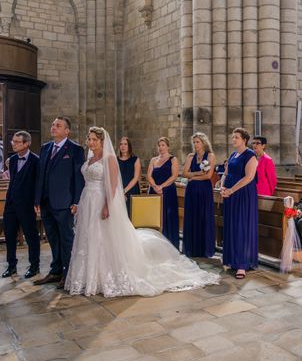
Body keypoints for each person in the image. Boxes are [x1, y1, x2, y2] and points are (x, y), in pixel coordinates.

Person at [65, 127, 219, 297]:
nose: (91, 142)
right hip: (87, 201)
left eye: (94, 139)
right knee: (88, 237)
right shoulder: (89, 159)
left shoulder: (109, 159)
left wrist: (107, 205)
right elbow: (86, 183)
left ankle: (104, 276)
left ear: (102, 141)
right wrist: (79, 203)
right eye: (89, 139)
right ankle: (87, 277)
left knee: (102, 237)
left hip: (101, 201)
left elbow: (114, 185)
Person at [33, 117, 85, 288]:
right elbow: (41, 175)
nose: (53, 127)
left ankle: (67, 274)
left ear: (67, 131)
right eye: (53, 124)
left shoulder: (75, 149)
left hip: (65, 203)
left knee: (66, 240)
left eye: (58, 125)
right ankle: (55, 271)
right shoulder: (46, 148)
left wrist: (77, 201)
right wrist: (37, 199)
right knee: (53, 239)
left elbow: (78, 178)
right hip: (47, 202)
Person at [221, 127, 258, 279]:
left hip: (243, 195)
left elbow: (249, 177)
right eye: (233, 137)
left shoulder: (250, 155)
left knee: (241, 226)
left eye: (236, 137)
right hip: (230, 195)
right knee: (231, 226)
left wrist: (231, 190)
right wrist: (222, 186)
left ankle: (242, 265)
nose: (233, 139)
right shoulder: (233, 155)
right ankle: (231, 259)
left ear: (244, 140)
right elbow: (226, 173)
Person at [2, 131, 40, 279]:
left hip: (27, 205)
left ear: (26, 144)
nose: (14, 144)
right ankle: (11, 266)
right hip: (11, 204)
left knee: (31, 237)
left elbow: (38, 184)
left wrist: (36, 203)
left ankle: (34, 266)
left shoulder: (36, 161)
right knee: (10, 236)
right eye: (13, 141)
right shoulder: (11, 160)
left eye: (17, 142)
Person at [182, 132, 216, 258]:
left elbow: (208, 175)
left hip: (204, 190)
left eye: (198, 142)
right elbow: (184, 173)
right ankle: (192, 248)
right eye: (194, 142)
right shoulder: (190, 156)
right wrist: (197, 173)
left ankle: (205, 249)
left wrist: (193, 177)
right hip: (191, 190)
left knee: (204, 216)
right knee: (192, 216)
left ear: (203, 143)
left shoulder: (210, 156)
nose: (195, 144)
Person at [147, 137, 180, 249]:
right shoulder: (153, 160)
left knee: (167, 216)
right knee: (155, 217)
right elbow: (149, 176)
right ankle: (155, 245)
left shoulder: (173, 159)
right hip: (154, 191)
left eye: (163, 145)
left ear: (168, 146)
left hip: (168, 191)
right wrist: (155, 186)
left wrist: (162, 186)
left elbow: (174, 176)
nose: (161, 148)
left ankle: (169, 245)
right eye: (159, 145)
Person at [117, 136, 141, 218]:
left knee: (132, 215)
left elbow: (136, 177)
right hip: (118, 189)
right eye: (121, 144)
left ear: (129, 146)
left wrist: (125, 191)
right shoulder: (115, 160)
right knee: (120, 215)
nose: (123, 146)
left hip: (132, 190)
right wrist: (120, 191)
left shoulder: (135, 159)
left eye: (125, 144)